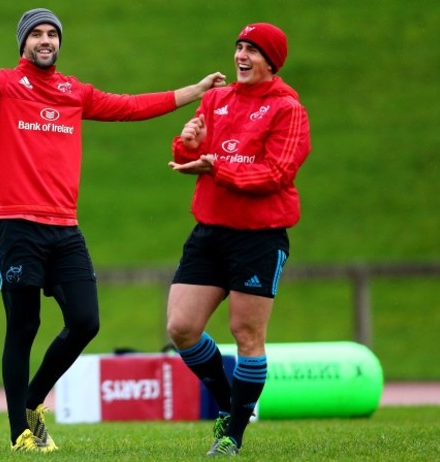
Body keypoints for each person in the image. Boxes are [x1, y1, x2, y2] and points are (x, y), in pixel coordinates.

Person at [0, 7, 225, 454]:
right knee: (24, 325)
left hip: (64, 230)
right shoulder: (3, 86)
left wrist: (194, 91)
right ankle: (20, 430)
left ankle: (34, 400)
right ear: (23, 43)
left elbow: (130, 106)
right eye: (36, 34)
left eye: (52, 35)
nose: (45, 41)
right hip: (16, 226)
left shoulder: (74, 92)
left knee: (85, 321)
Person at [166, 22, 311, 457]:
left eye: (253, 49)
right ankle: (233, 406)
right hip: (209, 231)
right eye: (239, 47)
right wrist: (187, 145)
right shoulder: (215, 99)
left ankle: (232, 436)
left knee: (246, 335)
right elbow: (195, 152)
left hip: (259, 238)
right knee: (182, 328)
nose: (241, 56)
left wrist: (216, 169)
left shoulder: (288, 110)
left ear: (272, 61)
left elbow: (276, 174)